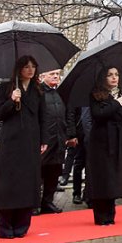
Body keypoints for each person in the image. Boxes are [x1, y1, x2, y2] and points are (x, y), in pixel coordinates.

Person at [0, 56, 47, 239]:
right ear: (19, 69)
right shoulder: (7, 87)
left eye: (33, 66)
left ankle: (22, 225)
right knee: (8, 183)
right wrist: (11, 100)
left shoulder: (38, 90)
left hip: (31, 141)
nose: (30, 70)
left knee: (27, 182)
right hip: (10, 141)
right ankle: (5, 226)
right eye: (26, 66)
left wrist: (44, 139)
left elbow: (43, 116)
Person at [87, 67, 122, 225]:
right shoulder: (96, 94)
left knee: (114, 176)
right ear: (103, 78)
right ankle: (100, 215)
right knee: (103, 176)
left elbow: (120, 118)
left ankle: (110, 213)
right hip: (101, 140)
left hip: (117, 138)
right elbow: (98, 115)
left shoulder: (120, 94)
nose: (114, 78)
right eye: (110, 75)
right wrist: (116, 103)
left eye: (116, 75)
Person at [39, 70, 72, 214]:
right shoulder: (38, 93)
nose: (55, 76)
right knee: (39, 172)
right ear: (42, 76)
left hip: (59, 139)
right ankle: (34, 203)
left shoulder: (60, 93)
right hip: (44, 139)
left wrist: (69, 135)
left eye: (57, 74)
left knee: (54, 172)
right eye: (51, 74)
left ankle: (48, 201)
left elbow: (67, 114)